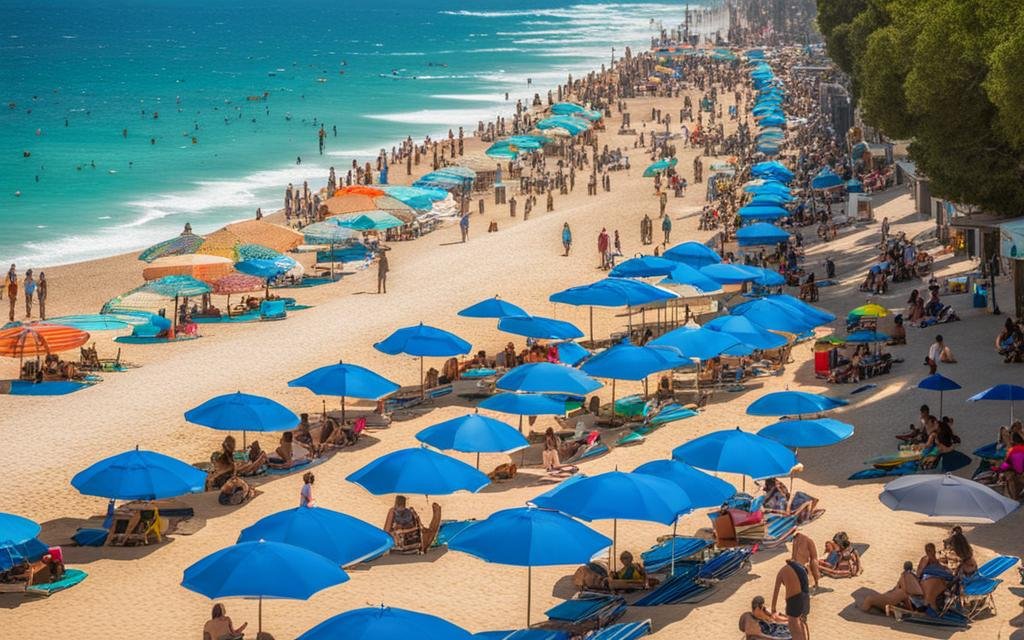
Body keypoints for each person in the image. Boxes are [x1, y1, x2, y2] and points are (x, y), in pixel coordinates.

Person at [858, 561, 923, 614]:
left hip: (889, 600)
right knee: (871, 599)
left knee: (869, 599)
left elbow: (908, 603)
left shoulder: (903, 590)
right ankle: (866, 611)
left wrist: (911, 611)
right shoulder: (905, 589)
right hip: (890, 599)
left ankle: (862, 612)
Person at [771, 558, 809, 640]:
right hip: (802, 597)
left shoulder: (781, 572)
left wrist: (773, 609)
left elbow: (776, 591)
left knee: (794, 629)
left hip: (793, 601)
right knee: (800, 622)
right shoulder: (797, 571)